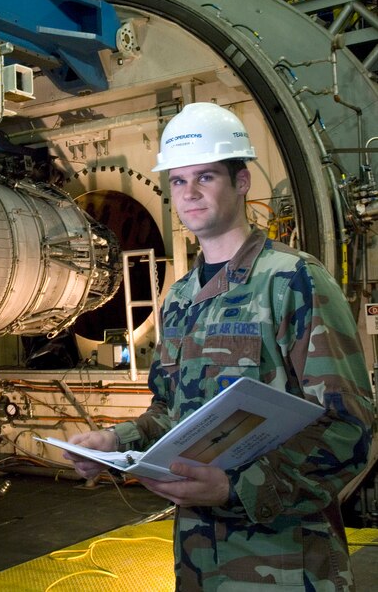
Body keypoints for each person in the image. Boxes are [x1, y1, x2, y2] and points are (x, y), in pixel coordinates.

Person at [65, 102, 374, 591]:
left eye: (205, 177)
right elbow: (171, 414)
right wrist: (115, 442)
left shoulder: (293, 280)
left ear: (242, 181)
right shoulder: (180, 298)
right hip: (197, 562)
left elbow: (347, 428)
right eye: (178, 181)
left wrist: (236, 487)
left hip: (285, 563)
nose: (189, 193)